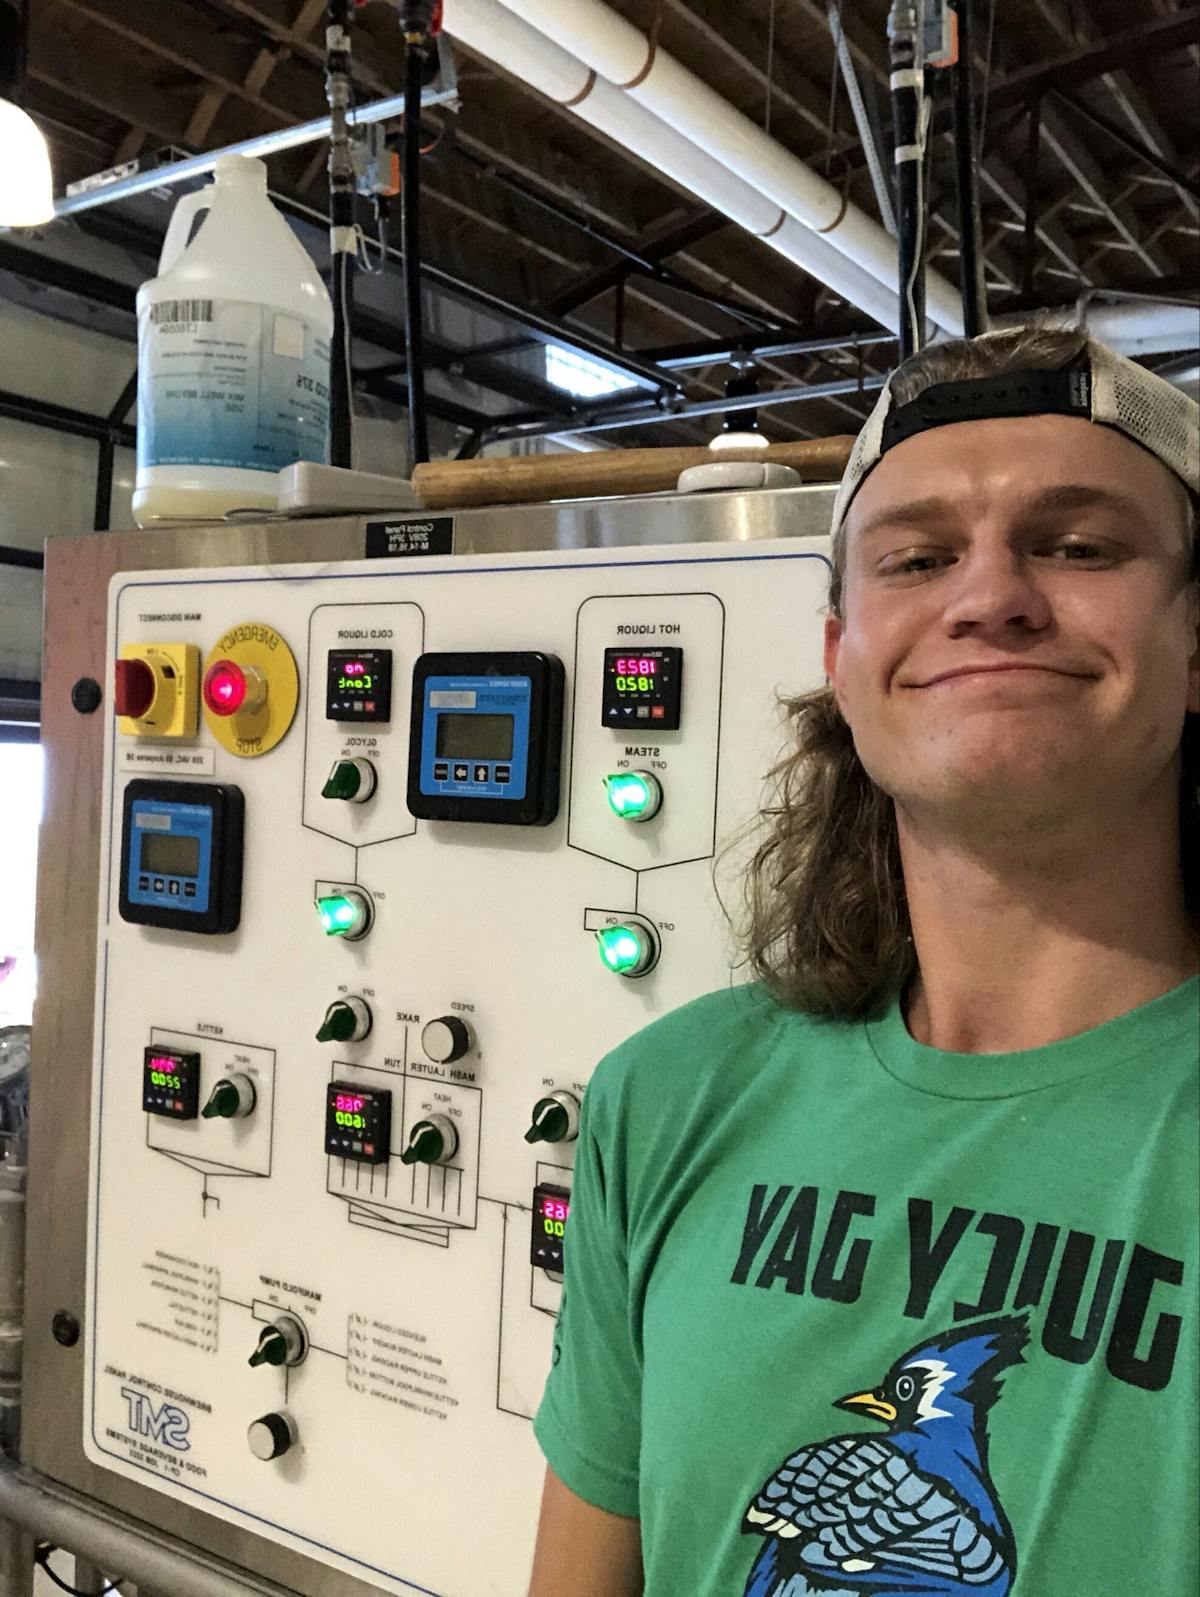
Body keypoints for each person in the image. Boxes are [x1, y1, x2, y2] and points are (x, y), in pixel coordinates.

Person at [527, 324, 1200, 1597]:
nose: (989, 592)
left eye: (1078, 545)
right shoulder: (669, 1101)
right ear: (841, 659)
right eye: (918, 556)